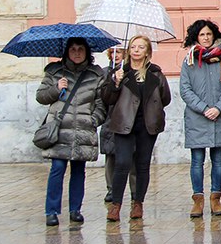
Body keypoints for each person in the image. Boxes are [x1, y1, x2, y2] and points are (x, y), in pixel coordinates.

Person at [36, 38, 107, 226]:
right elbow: (41, 97)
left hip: (83, 130)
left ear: (87, 52)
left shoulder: (96, 74)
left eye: (81, 49)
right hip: (60, 130)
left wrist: (94, 120)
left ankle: (75, 209)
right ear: (67, 51)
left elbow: (101, 104)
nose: (77, 53)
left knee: (78, 170)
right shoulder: (54, 72)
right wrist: (56, 88)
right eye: (73, 49)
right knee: (57, 168)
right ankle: (51, 211)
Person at [103, 35, 172, 222]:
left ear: (147, 51)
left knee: (142, 164)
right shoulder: (120, 72)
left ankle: (138, 202)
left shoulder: (155, 73)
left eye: (141, 47)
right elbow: (107, 99)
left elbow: (165, 97)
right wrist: (115, 83)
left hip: (147, 125)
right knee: (122, 163)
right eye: (133, 47)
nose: (136, 50)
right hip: (124, 124)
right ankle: (116, 204)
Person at [180, 19, 221, 218]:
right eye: (202, 34)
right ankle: (198, 200)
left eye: (209, 34)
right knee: (197, 160)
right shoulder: (189, 60)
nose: (205, 38)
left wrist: (218, 108)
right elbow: (185, 90)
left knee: (219, 160)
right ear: (196, 37)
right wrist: (204, 109)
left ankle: (215, 198)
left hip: (219, 117)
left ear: (214, 36)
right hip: (197, 118)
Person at [100, 46, 135, 204]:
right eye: (113, 52)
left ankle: (135, 192)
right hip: (110, 118)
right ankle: (111, 189)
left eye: (119, 52)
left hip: (128, 117)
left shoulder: (131, 71)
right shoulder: (105, 72)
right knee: (111, 155)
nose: (116, 55)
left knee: (132, 156)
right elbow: (102, 95)